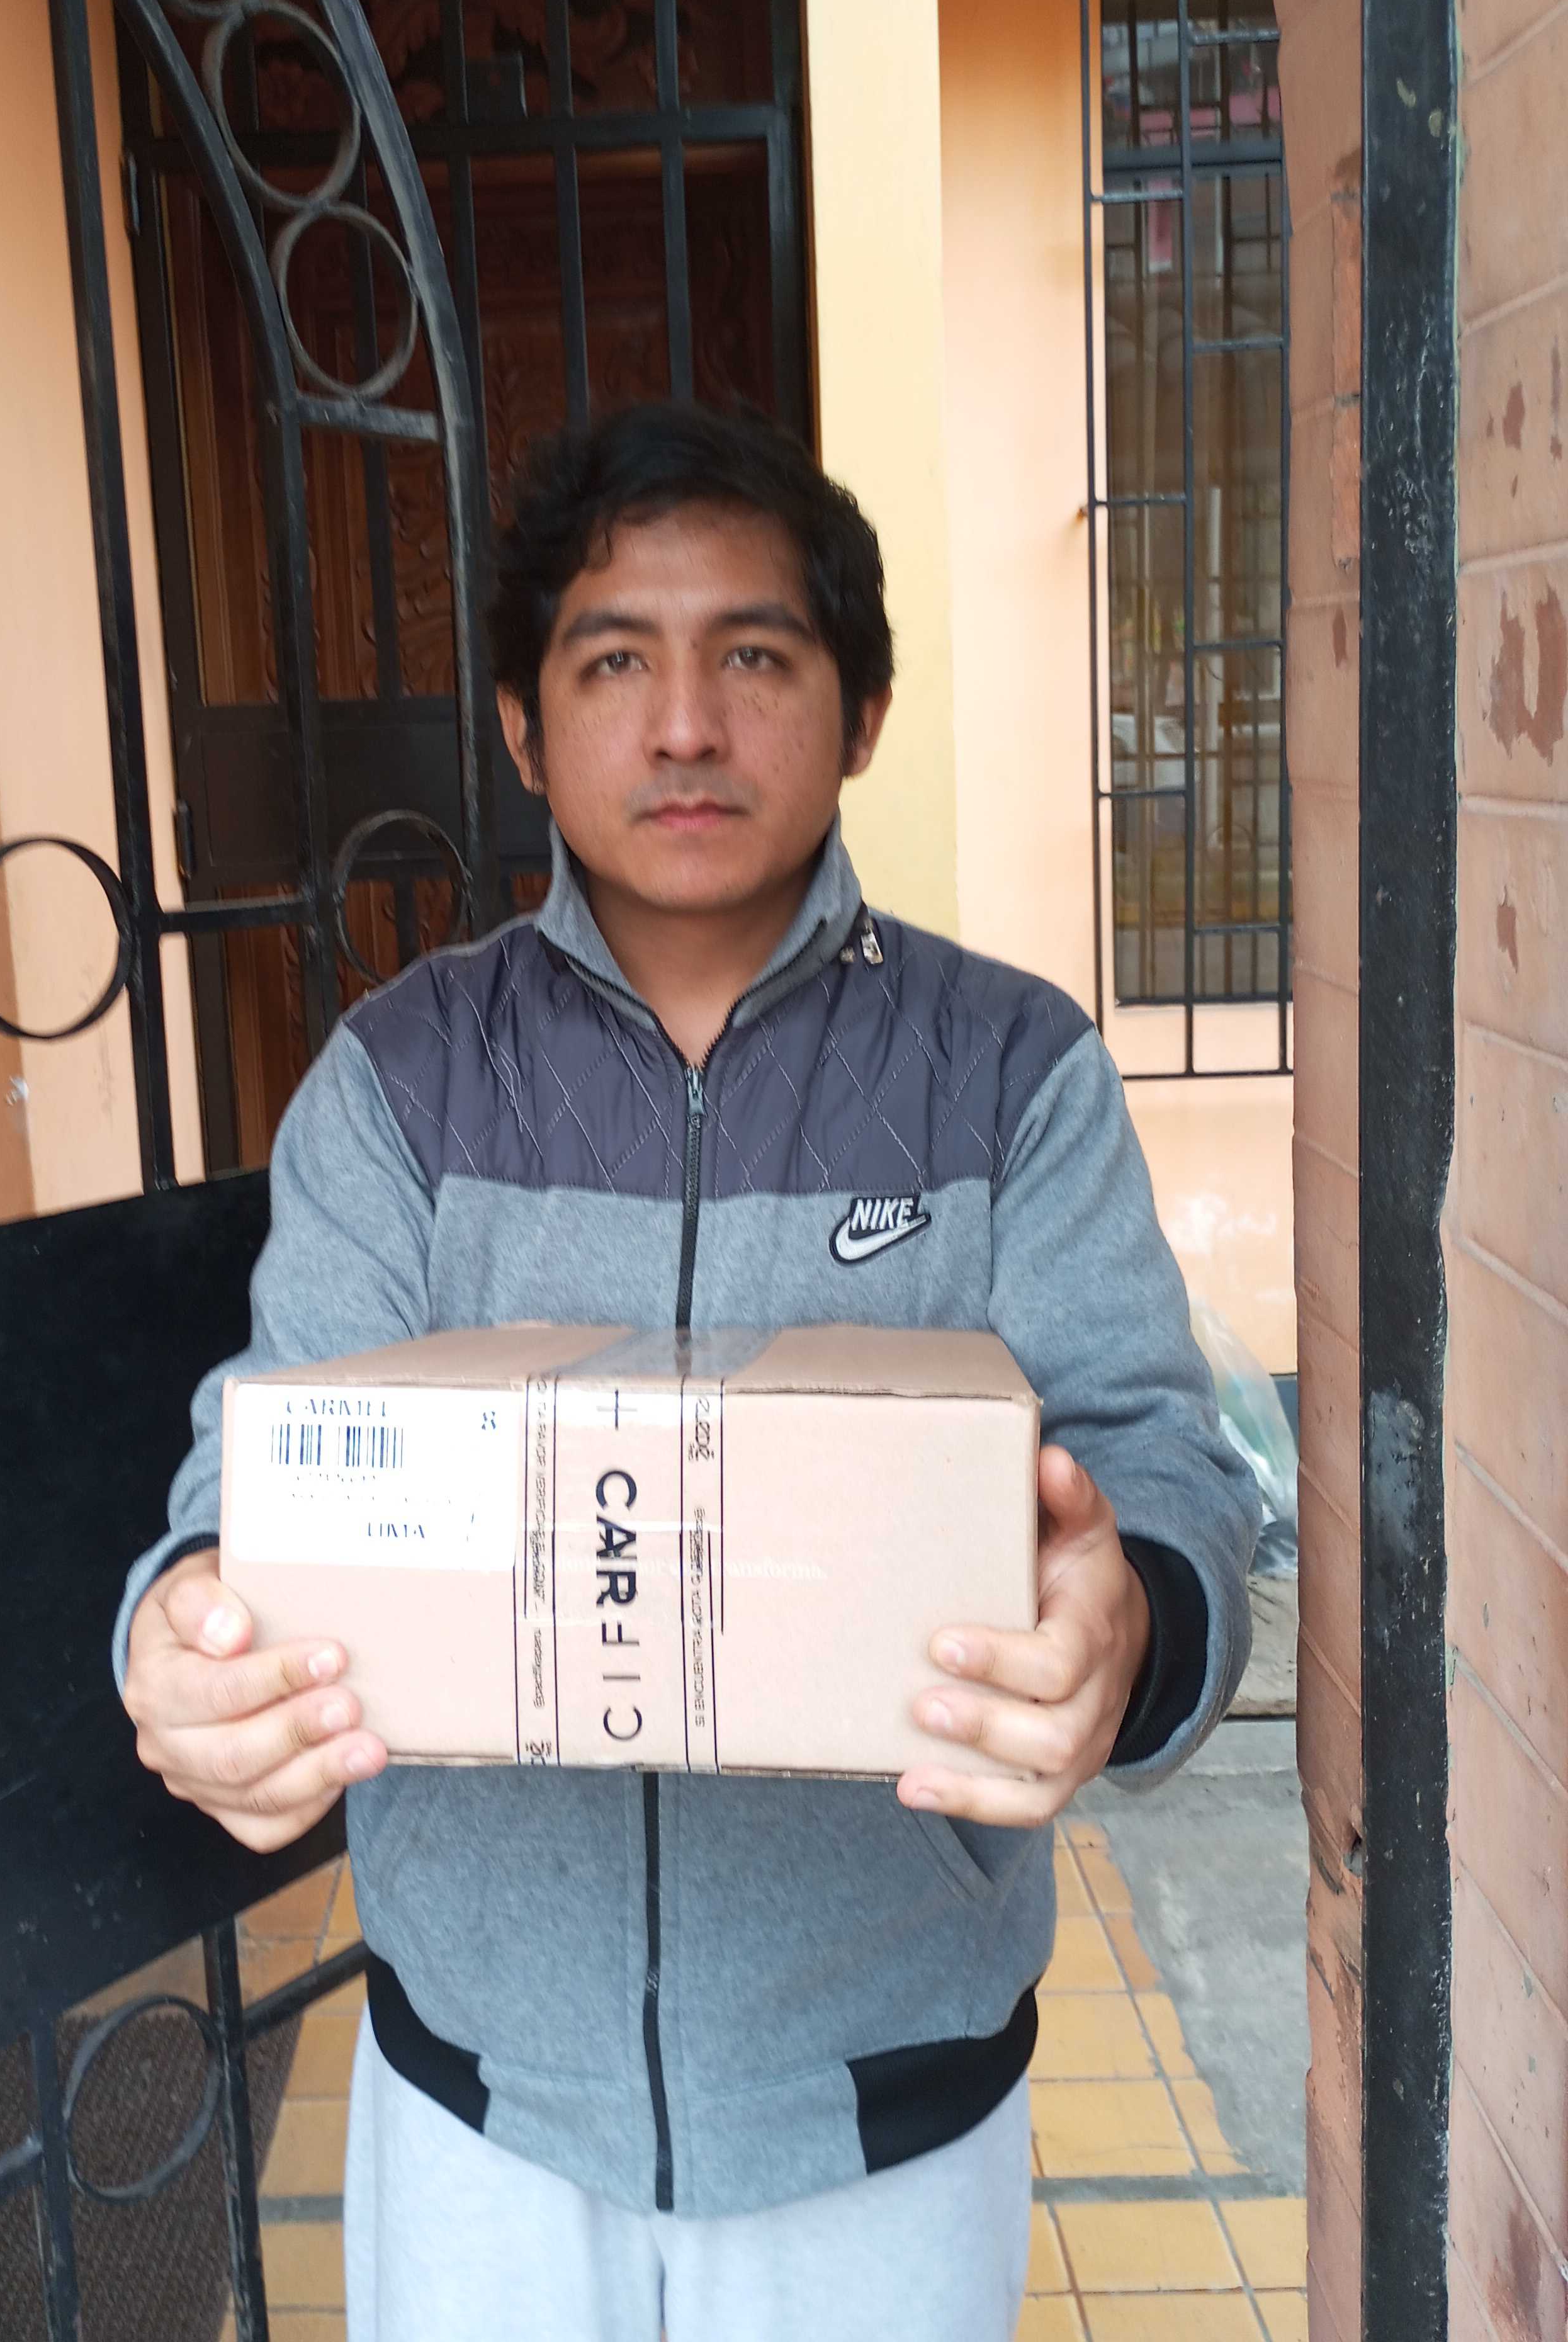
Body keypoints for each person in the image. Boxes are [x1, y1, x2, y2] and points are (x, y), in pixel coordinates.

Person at [116, 402, 1258, 2342]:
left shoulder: (1011, 1071)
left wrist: (1133, 1624)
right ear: (521, 726)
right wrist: (183, 1630)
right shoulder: (403, 1081)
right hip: (477, 2110)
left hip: (888, 2116)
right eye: (612, 663)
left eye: (755, 657)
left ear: (862, 711)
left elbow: (1159, 1462)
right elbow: (263, 1470)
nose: (684, 727)